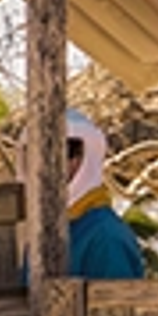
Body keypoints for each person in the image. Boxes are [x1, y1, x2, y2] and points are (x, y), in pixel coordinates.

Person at [64, 110, 151, 280]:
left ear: (84, 159)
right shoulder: (42, 234)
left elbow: (118, 305)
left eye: (67, 152)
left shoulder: (106, 235)